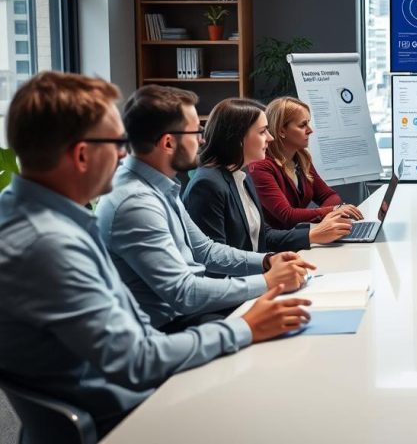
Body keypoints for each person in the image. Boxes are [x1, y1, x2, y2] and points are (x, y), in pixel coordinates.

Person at [0, 72, 311, 436]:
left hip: (127, 389)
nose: (124, 152)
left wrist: (258, 280)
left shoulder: (38, 217)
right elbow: (137, 360)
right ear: (83, 154)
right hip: (126, 414)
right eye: (116, 142)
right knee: (278, 407)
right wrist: (242, 327)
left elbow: (140, 325)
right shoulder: (50, 244)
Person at [97, 85, 316, 331]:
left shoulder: (160, 185)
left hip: (190, 316)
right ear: (168, 143)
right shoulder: (135, 203)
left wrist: (267, 260)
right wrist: (266, 281)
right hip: (169, 329)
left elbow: (206, 250)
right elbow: (184, 293)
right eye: (195, 131)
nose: (202, 139)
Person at [183, 97, 352, 252]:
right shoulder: (207, 184)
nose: (270, 138)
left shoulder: (241, 175)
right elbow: (215, 261)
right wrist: (269, 267)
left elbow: (263, 235)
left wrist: (312, 235)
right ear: (239, 137)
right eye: (263, 131)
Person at [249, 96, 363, 229]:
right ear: (281, 130)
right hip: (278, 244)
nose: (310, 130)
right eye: (303, 125)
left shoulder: (302, 158)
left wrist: (327, 217)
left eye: (308, 123)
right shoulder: (260, 167)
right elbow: (287, 216)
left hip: (302, 236)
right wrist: (333, 211)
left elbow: (330, 196)